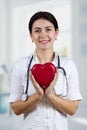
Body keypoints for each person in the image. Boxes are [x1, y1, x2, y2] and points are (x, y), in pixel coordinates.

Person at [9, 11, 82, 130]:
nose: (43, 35)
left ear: (56, 33)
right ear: (31, 35)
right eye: (37, 30)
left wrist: (50, 95)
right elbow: (16, 109)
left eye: (48, 29)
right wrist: (37, 96)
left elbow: (73, 108)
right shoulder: (20, 66)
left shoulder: (68, 65)